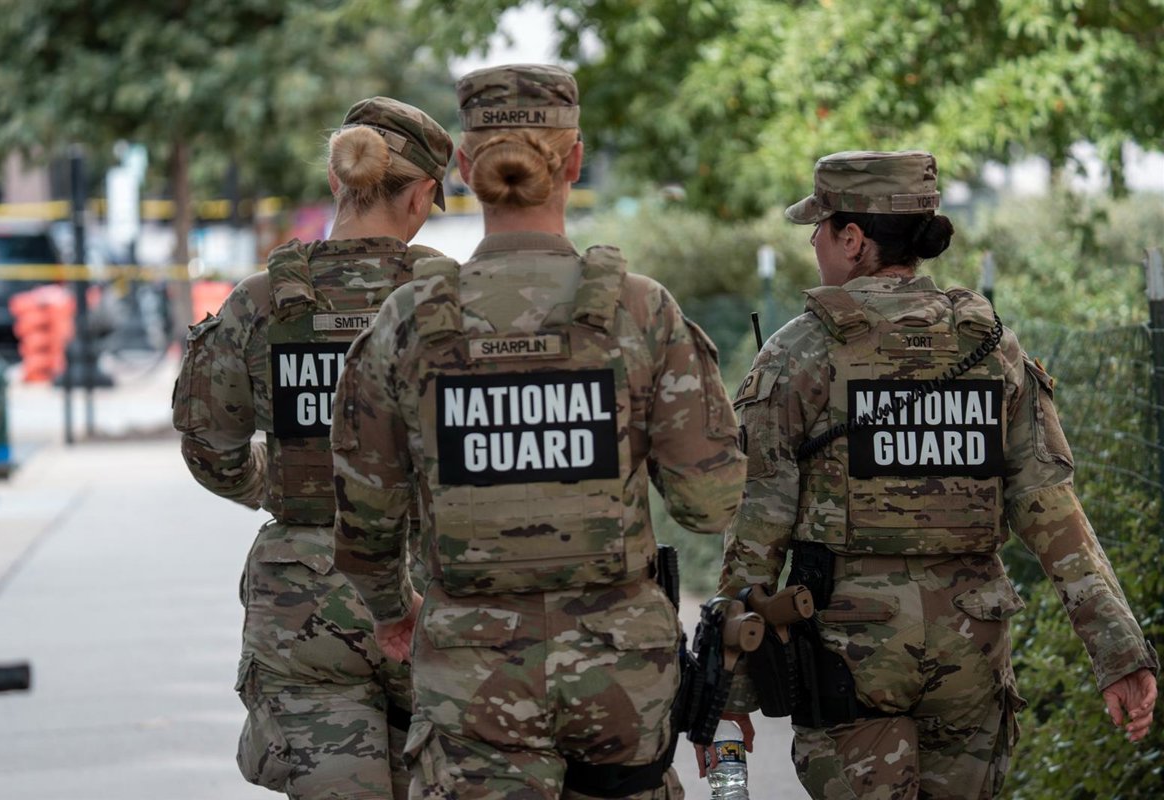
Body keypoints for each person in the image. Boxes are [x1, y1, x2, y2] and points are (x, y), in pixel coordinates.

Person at [331, 63, 746, 799]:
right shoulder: (642, 312)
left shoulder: (407, 322)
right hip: (620, 674)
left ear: (464, 169)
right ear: (574, 161)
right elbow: (709, 504)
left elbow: (365, 527)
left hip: (471, 674)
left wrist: (397, 615)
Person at [717, 150, 1159, 799]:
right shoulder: (990, 344)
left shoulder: (799, 350)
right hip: (971, 651)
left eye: (819, 227)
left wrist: (729, 689)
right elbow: (1051, 510)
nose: (813, 242)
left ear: (852, 239)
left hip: (852, 653)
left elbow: (758, 526)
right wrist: (1119, 653)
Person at [172, 96, 452, 799]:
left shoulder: (260, 301)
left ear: (337, 180)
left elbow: (210, 451)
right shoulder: (451, 299)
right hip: (434, 593)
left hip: (303, 601)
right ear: (421, 195)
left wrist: (278, 483)